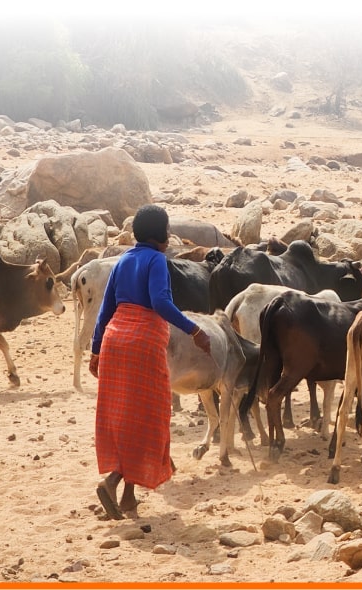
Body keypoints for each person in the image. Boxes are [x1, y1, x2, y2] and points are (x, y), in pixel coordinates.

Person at [88, 205, 211, 520]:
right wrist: (195, 330)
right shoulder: (157, 260)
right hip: (144, 343)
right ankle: (112, 481)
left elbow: (105, 310)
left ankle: (128, 497)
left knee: (124, 418)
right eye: (167, 230)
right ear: (159, 235)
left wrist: (96, 350)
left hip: (115, 341)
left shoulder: (123, 260)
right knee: (148, 418)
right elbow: (160, 302)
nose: (169, 236)